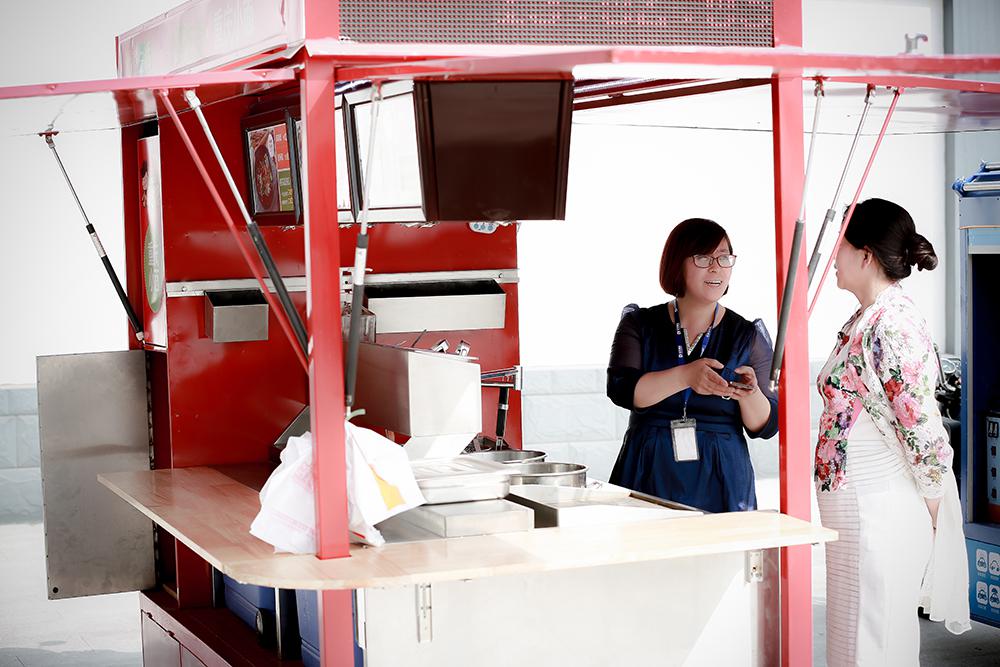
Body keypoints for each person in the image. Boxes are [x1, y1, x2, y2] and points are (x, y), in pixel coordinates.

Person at [815, 198, 970, 666]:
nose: (834, 256)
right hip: (860, 506)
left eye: (841, 244)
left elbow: (921, 427)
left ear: (865, 255)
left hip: (879, 505)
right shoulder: (869, 317)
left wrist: (934, 508)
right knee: (856, 640)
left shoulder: (892, 323)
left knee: (874, 642)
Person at [606, 218, 778, 512]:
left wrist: (750, 395)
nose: (716, 268)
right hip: (648, 467)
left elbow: (766, 425)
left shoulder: (747, 335)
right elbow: (622, 390)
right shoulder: (640, 324)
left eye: (724, 258)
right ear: (677, 262)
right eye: (703, 258)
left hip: (722, 475)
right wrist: (686, 376)